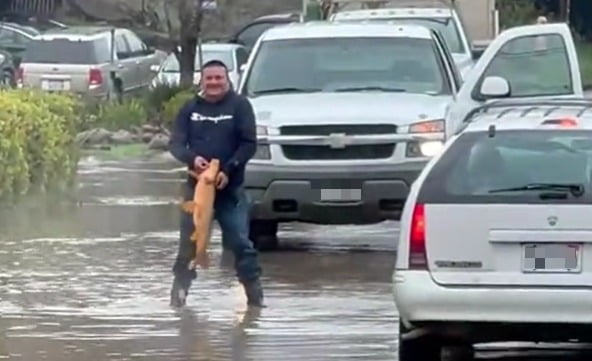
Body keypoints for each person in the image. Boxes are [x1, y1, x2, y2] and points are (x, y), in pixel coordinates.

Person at [168, 59, 264, 308]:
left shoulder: (240, 106)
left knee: (241, 244)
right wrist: (193, 159)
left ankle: (255, 301)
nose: (213, 83)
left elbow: (249, 144)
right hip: (196, 190)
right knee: (188, 245)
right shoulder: (189, 108)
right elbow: (176, 144)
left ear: (227, 79)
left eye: (218, 78)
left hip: (230, 191)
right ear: (202, 80)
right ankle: (178, 300)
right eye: (209, 78)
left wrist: (229, 170)